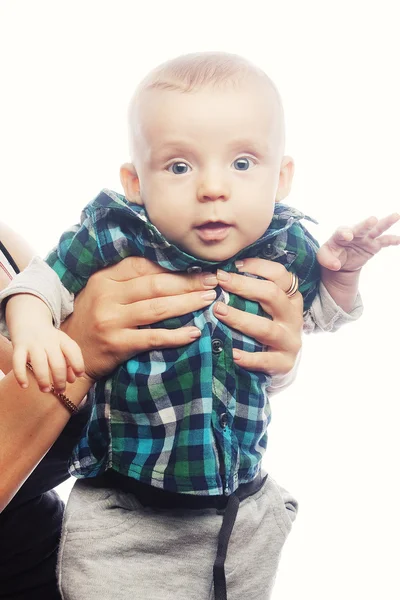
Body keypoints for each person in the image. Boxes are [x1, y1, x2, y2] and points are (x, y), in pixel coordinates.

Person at [1, 52, 399, 600]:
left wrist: (339, 280)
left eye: (242, 163)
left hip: (240, 511)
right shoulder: (115, 233)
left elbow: (318, 317)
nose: (214, 188)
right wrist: (41, 330)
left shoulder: (280, 240)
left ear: (281, 176)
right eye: (180, 167)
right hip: (128, 514)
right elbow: (36, 287)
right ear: (136, 181)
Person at [0, 224, 305, 600]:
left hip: (83, 563)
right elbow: (82, 358)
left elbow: (122, 386)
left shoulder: (7, 249)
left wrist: (267, 353)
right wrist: (80, 347)